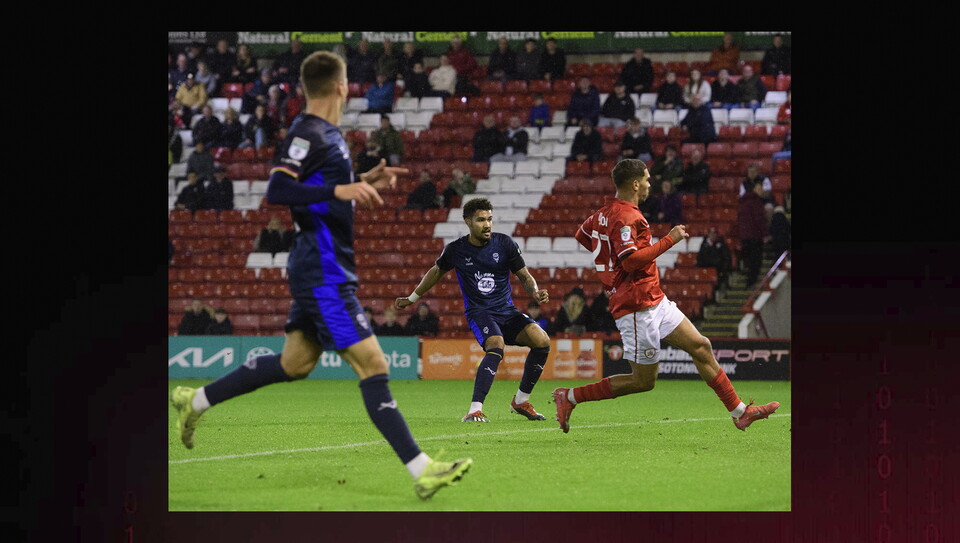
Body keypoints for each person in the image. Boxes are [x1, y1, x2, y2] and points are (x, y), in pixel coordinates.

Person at [170, 50, 473, 500]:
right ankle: (422, 469)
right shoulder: (307, 132)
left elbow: (321, 195)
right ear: (340, 86)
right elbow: (278, 187)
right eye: (347, 81)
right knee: (374, 363)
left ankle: (193, 401)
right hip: (323, 272)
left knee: (294, 363)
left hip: (324, 266)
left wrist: (364, 178)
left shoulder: (329, 136)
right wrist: (341, 187)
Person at [555, 158, 780, 434]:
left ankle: (740, 412)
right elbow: (630, 262)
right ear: (635, 184)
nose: (650, 184)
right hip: (636, 305)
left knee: (701, 346)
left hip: (653, 298)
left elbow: (583, 235)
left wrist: (606, 264)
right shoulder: (627, 216)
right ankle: (570, 397)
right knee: (643, 381)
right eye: (647, 179)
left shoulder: (602, 214)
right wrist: (669, 240)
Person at [395, 197, 552, 423]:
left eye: (489, 219)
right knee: (496, 346)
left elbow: (524, 275)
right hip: (480, 312)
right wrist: (412, 298)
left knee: (542, 341)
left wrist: (535, 292)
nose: (487, 224)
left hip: (506, 311)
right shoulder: (456, 249)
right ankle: (474, 410)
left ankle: (520, 400)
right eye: (480, 220)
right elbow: (436, 272)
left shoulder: (505, 244)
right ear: (468, 222)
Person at [738, 179, 770, 287]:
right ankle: (752, 283)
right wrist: (765, 234)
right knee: (755, 261)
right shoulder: (756, 202)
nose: (761, 191)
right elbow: (759, 219)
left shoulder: (744, 202)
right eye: (759, 189)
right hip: (755, 236)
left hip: (745, 236)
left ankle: (749, 281)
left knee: (750, 260)